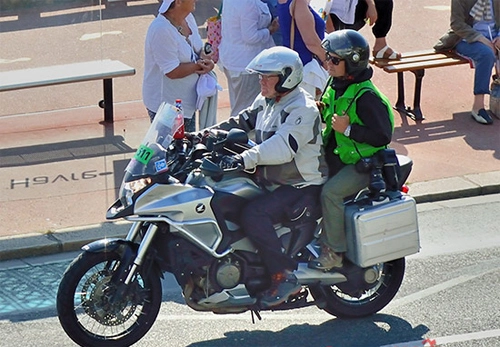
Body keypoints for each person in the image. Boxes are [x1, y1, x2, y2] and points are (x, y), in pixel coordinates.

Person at [213, 46, 328, 307]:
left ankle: (284, 275)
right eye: (260, 76)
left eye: (267, 76)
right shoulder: (266, 102)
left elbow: (282, 147)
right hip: (274, 183)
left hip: (302, 186)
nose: (261, 81)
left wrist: (244, 158)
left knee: (254, 214)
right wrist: (202, 137)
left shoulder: (302, 109)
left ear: (287, 76)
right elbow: (238, 123)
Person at [308, 30, 394, 270]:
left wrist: (349, 130)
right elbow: (330, 111)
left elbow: (382, 135)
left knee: (331, 194)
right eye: (327, 57)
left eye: (334, 60)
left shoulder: (366, 96)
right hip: (338, 156)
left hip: (363, 163)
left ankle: (334, 252)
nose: (328, 63)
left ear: (353, 62)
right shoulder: (336, 84)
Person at [142, 0, 216, 132]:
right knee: (169, 151)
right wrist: (197, 66)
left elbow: (198, 50)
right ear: (178, 2)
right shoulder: (161, 30)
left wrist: (206, 61)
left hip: (187, 104)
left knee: (187, 148)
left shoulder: (188, 18)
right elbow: (172, 71)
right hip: (167, 109)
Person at [434, 0, 498, 125]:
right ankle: (478, 107)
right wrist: (481, 39)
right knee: (486, 54)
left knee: (489, 51)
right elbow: (457, 24)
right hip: (467, 40)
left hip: (494, 36)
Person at [218, 0, 279, 117]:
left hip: (233, 61)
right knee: (245, 113)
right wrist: (270, 30)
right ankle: (239, 134)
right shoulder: (248, 4)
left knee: (239, 108)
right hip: (245, 66)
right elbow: (250, 37)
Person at [277, 0, 329, 99]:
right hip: (307, 71)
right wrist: (328, 61)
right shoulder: (299, 3)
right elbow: (311, 42)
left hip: (292, 67)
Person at [327, 0, 401, 60]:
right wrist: (333, 37)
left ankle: (380, 46)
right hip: (330, 18)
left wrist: (371, 4)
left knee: (383, 1)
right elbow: (322, 10)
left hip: (350, 11)